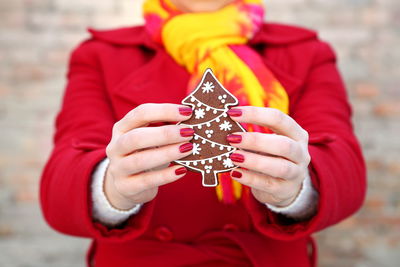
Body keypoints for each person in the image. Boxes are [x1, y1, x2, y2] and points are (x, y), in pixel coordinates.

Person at [39, 0, 366, 266]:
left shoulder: (306, 51)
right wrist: (110, 186)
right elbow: (60, 189)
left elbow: (346, 171)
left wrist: (297, 187)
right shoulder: (101, 53)